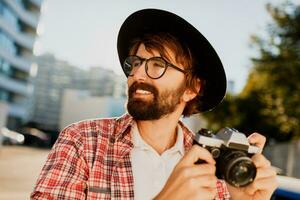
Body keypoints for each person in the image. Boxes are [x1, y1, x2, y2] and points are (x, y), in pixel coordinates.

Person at [31, 9, 277, 200]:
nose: (137, 75)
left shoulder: (215, 165)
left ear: (192, 88)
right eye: (135, 63)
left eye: (157, 65)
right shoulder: (82, 141)